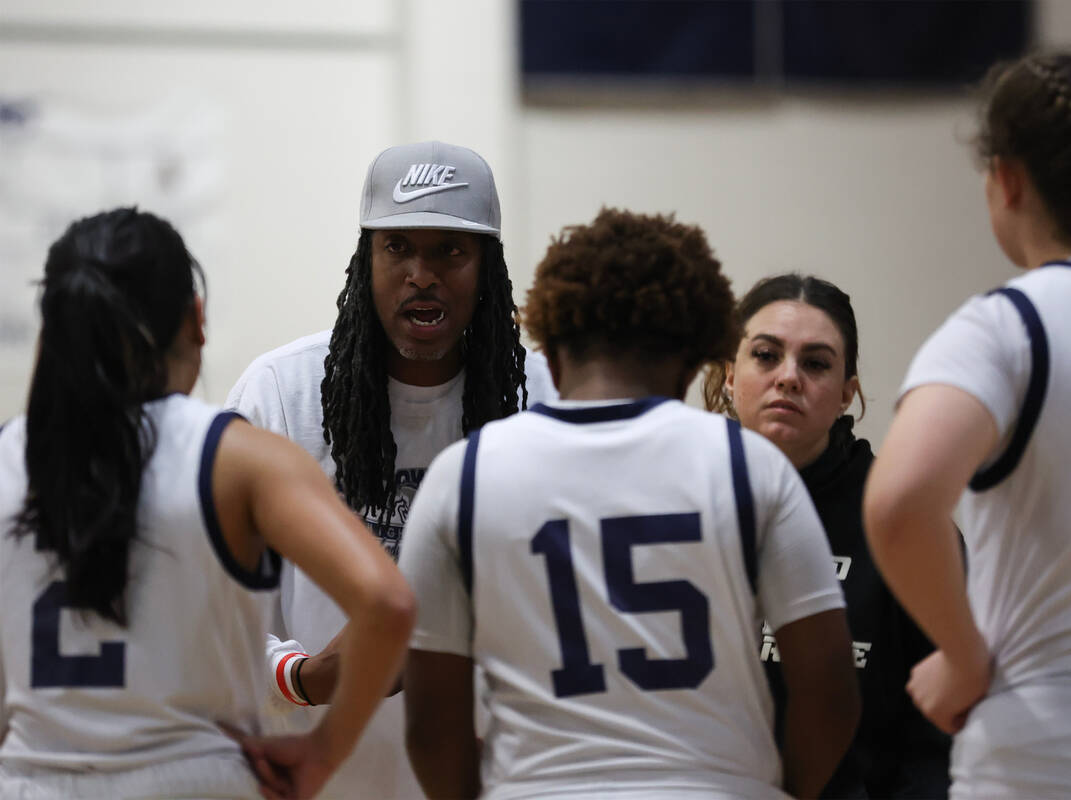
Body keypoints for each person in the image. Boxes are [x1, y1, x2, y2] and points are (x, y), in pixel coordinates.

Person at [399, 208, 860, 799]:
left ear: (553, 348)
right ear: (697, 360)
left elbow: (432, 724)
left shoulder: (462, 476)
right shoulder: (753, 467)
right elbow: (831, 692)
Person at [863, 53, 1071, 799]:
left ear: (1006, 179)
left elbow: (900, 501)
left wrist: (964, 653)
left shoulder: (1009, 326)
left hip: (1056, 757)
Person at [0, 208, 414, 800]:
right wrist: (323, 754)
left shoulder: (7, 455)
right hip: (193, 779)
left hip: (30, 779)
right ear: (197, 320)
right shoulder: (240, 458)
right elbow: (388, 603)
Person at [226, 141, 556, 798]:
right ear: (365, 259)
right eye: (399, 247)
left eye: (450, 252)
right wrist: (305, 677)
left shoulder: (543, 396)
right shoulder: (279, 391)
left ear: (487, 269)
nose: (422, 274)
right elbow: (215, 611)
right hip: (315, 777)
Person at [705, 274, 950, 799]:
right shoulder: (676, 496)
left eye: (815, 363)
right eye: (766, 355)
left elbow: (941, 732)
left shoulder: (901, 518)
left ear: (846, 394)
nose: (788, 377)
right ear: (729, 375)